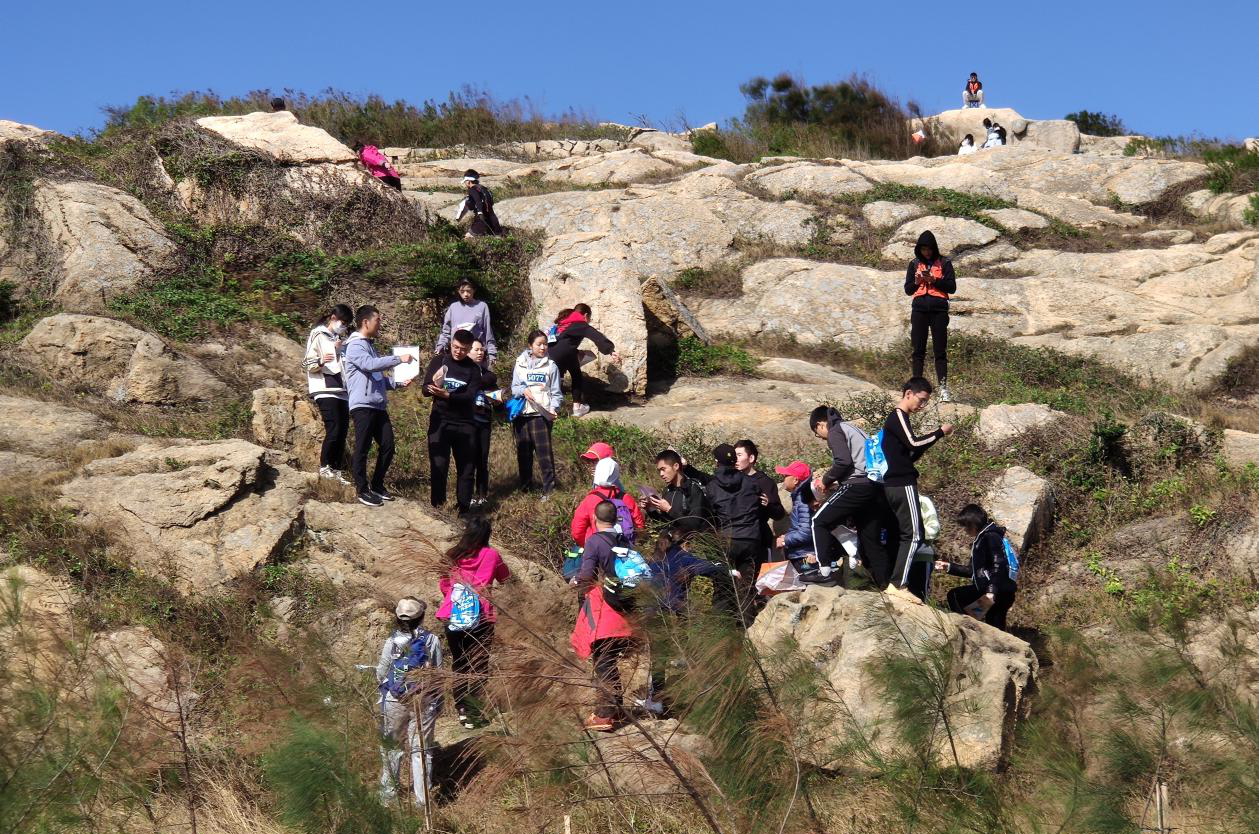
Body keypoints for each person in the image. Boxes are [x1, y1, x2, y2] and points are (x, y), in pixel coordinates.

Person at [640, 529, 732, 714]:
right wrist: (729, 570)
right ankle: (704, 688)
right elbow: (708, 567)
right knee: (688, 650)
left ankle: (656, 699)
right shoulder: (682, 557)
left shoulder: (650, 561)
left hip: (654, 614)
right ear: (679, 543)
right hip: (677, 612)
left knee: (658, 657)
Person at [881, 379, 955, 604]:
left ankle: (897, 583)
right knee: (914, 535)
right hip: (901, 483)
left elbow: (911, 453)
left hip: (897, 483)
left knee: (906, 534)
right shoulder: (898, 416)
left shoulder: (900, 420)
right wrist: (940, 432)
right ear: (908, 393)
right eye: (921, 400)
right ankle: (898, 585)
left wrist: (930, 441)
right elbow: (913, 443)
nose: (922, 405)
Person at [435, 516, 510, 728]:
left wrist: (454, 597)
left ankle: (461, 710)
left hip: (454, 615)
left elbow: (443, 583)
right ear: (487, 535)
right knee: (478, 664)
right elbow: (505, 578)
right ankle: (474, 709)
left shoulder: (452, 555)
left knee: (459, 663)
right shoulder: (492, 555)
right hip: (482, 616)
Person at [805, 406, 891, 587]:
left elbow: (843, 461)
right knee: (870, 541)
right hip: (875, 487)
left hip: (857, 486)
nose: (820, 437)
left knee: (818, 521)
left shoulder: (836, 430)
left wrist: (826, 480)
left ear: (821, 424)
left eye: (817, 432)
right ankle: (885, 586)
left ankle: (825, 572)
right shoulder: (854, 428)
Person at [571, 501, 638, 731]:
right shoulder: (624, 540)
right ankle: (616, 708)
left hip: (604, 607)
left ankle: (605, 715)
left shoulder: (594, 541)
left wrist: (575, 581)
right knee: (608, 659)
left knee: (603, 661)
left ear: (594, 518)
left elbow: (588, 574)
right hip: (624, 605)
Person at [343, 306, 415, 507]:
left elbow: (376, 377)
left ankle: (377, 484)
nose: (380, 325)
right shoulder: (355, 345)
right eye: (378, 320)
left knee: (388, 446)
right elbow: (370, 365)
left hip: (378, 406)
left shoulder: (369, 346)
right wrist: (398, 359)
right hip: (362, 405)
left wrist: (397, 383)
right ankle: (362, 489)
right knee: (363, 447)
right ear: (366, 322)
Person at [375, 597, 443, 808]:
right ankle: (422, 803)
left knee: (392, 748)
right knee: (421, 751)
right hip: (424, 701)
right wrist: (438, 701)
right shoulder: (431, 640)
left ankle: (388, 797)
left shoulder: (391, 641)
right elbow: (438, 674)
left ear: (397, 617)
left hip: (395, 700)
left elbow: (380, 673)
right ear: (421, 617)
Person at [423, 329, 483, 514]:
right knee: (439, 464)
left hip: (465, 423)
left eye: (463, 349)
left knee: (466, 467)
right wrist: (433, 388)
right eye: (455, 347)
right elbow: (424, 389)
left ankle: (463, 507)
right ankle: (437, 505)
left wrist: (449, 395)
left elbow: (470, 396)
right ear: (451, 344)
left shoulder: (473, 369)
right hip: (440, 421)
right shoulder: (439, 361)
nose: (458, 351)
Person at [704, 443, 763, 626]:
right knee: (746, 590)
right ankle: (749, 634)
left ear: (716, 462)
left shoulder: (712, 486)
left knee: (723, 589)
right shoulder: (751, 483)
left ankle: (722, 638)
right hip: (751, 539)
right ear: (734, 461)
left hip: (727, 540)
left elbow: (709, 516)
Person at [936, 504, 1018, 630]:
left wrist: (991, 592)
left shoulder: (990, 536)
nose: (965, 530)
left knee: (956, 596)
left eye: (965, 526)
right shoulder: (983, 538)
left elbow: (999, 565)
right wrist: (948, 566)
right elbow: (971, 571)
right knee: (993, 625)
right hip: (996, 590)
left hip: (998, 591)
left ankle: (965, 630)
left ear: (973, 524)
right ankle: (969, 629)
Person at [303, 303, 354, 485]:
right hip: (324, 389)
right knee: (334, 428)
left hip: (342, 390)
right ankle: (325, 468)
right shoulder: (318, 334)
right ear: (333, 318)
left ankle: (336, 469)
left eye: (347, 324)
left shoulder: (337, 338)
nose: (345, 326)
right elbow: (307, 363)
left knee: (342, 431)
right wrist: (321, 360)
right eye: (343, 322)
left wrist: (340, 350)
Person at [904, 230, 957, 402]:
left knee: (939, 351)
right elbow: (908, 289)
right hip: (919, 310)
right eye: (923, 249)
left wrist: (934, 280)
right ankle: (915, 388)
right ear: (919, 249)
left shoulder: (945, 263)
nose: (926, 252)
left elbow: (952, 287)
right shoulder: (914, 264)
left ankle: (943, 389)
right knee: (918, 350)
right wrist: (917, 282)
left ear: (934, 248)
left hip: (939, 310)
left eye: (929, 249)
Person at [511, 330, 563, 497]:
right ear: (530, 346)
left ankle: (549, 490)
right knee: (523, 454)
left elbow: (556, 392)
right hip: (521, 415)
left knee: (544, 454)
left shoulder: (551, 366)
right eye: (539, 344)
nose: (543, 347)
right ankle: (526, 489)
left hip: (541, 415)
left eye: (545, 344)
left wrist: (553, 409)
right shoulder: (520, 363)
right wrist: (523, 390)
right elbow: (514, 387)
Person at [548, 304, 622, 418]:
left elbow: (563, 342)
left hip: (549, 354)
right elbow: (596, 336)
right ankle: (577, 408)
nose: (589, 321)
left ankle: (552, 408)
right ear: (586, 315)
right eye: (590, 319)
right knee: (576, 376)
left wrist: (577, 352)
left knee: (558, 378)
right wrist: (611, 350)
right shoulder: (580, 323)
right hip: (564, 354)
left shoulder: (563, 322)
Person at [571, 457, 645, 546]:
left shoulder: (590, 500)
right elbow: (639, 524)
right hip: (624, 547)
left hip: (599, 547)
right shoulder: (626, 498)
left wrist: (586, 546)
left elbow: (577, 530)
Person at [734, 439, 786, 568]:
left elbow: (779, 513)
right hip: (737, 537)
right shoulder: (732, 480)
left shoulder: (765, 482)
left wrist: (768, 504)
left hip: (760, 538)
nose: (736, 459)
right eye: (734, 456)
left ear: (751, 458)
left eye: (739, 455)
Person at [643, 449, 710, 537]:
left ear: (676, 466)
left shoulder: (693, 489)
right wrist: (650, 510)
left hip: (694, 546)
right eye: (659, 470)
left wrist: (669, 509)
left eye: (663, 469)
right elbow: (665, 524)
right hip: (673, 545)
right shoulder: (667, 491)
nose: (661, 474)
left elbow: (695, 524)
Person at [434, 280, 497, 367]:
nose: (466, 294)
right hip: (457, 353)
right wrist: (441, 345)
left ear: (474, 290)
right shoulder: (453, 307)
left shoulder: (482, 306)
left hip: (474, 354)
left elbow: (488, 331)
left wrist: (491, 352)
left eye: (468, 291)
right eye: (462, 291)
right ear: (458, 291)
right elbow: (446, 331)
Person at [468, 339, 497, 510]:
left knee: (482, 459)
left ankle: (482, 494)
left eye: (482, 350)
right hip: (469, 420)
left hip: (484, 419)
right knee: (469, 459)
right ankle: (469, 494)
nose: (480, 353)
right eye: (476, 350)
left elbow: (494, 387)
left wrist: (498, 399)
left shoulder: (487, 374)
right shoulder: (463, 371)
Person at [773, 461, 815, 571]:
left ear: (795, 480)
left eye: (786, 476)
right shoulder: (799, 498)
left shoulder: (803, 500)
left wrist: (785, 540)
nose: (783, 478)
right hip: (802, 554)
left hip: (805, 557)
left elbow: (806, 532)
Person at [455, 170, 503, 237]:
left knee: (468, 237)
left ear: (468, 181)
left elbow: (478, 201)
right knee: (498, 238)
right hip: (493, 218)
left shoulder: (472, 190)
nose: (465, 183)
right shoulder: (484, 189)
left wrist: (480, 212)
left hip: (481, 219)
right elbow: (491, 202)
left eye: (465, 181)